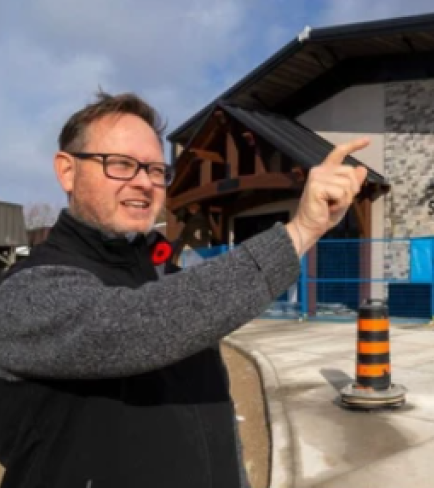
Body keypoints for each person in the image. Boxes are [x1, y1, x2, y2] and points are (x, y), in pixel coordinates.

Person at [0, 91, 369, 488]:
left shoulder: (169, 277)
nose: (144, 183)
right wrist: (300, 231)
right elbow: (136, 326)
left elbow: (216, 418)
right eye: (121, 165)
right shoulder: (28, 290)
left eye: (156, 170)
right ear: (67, 171)